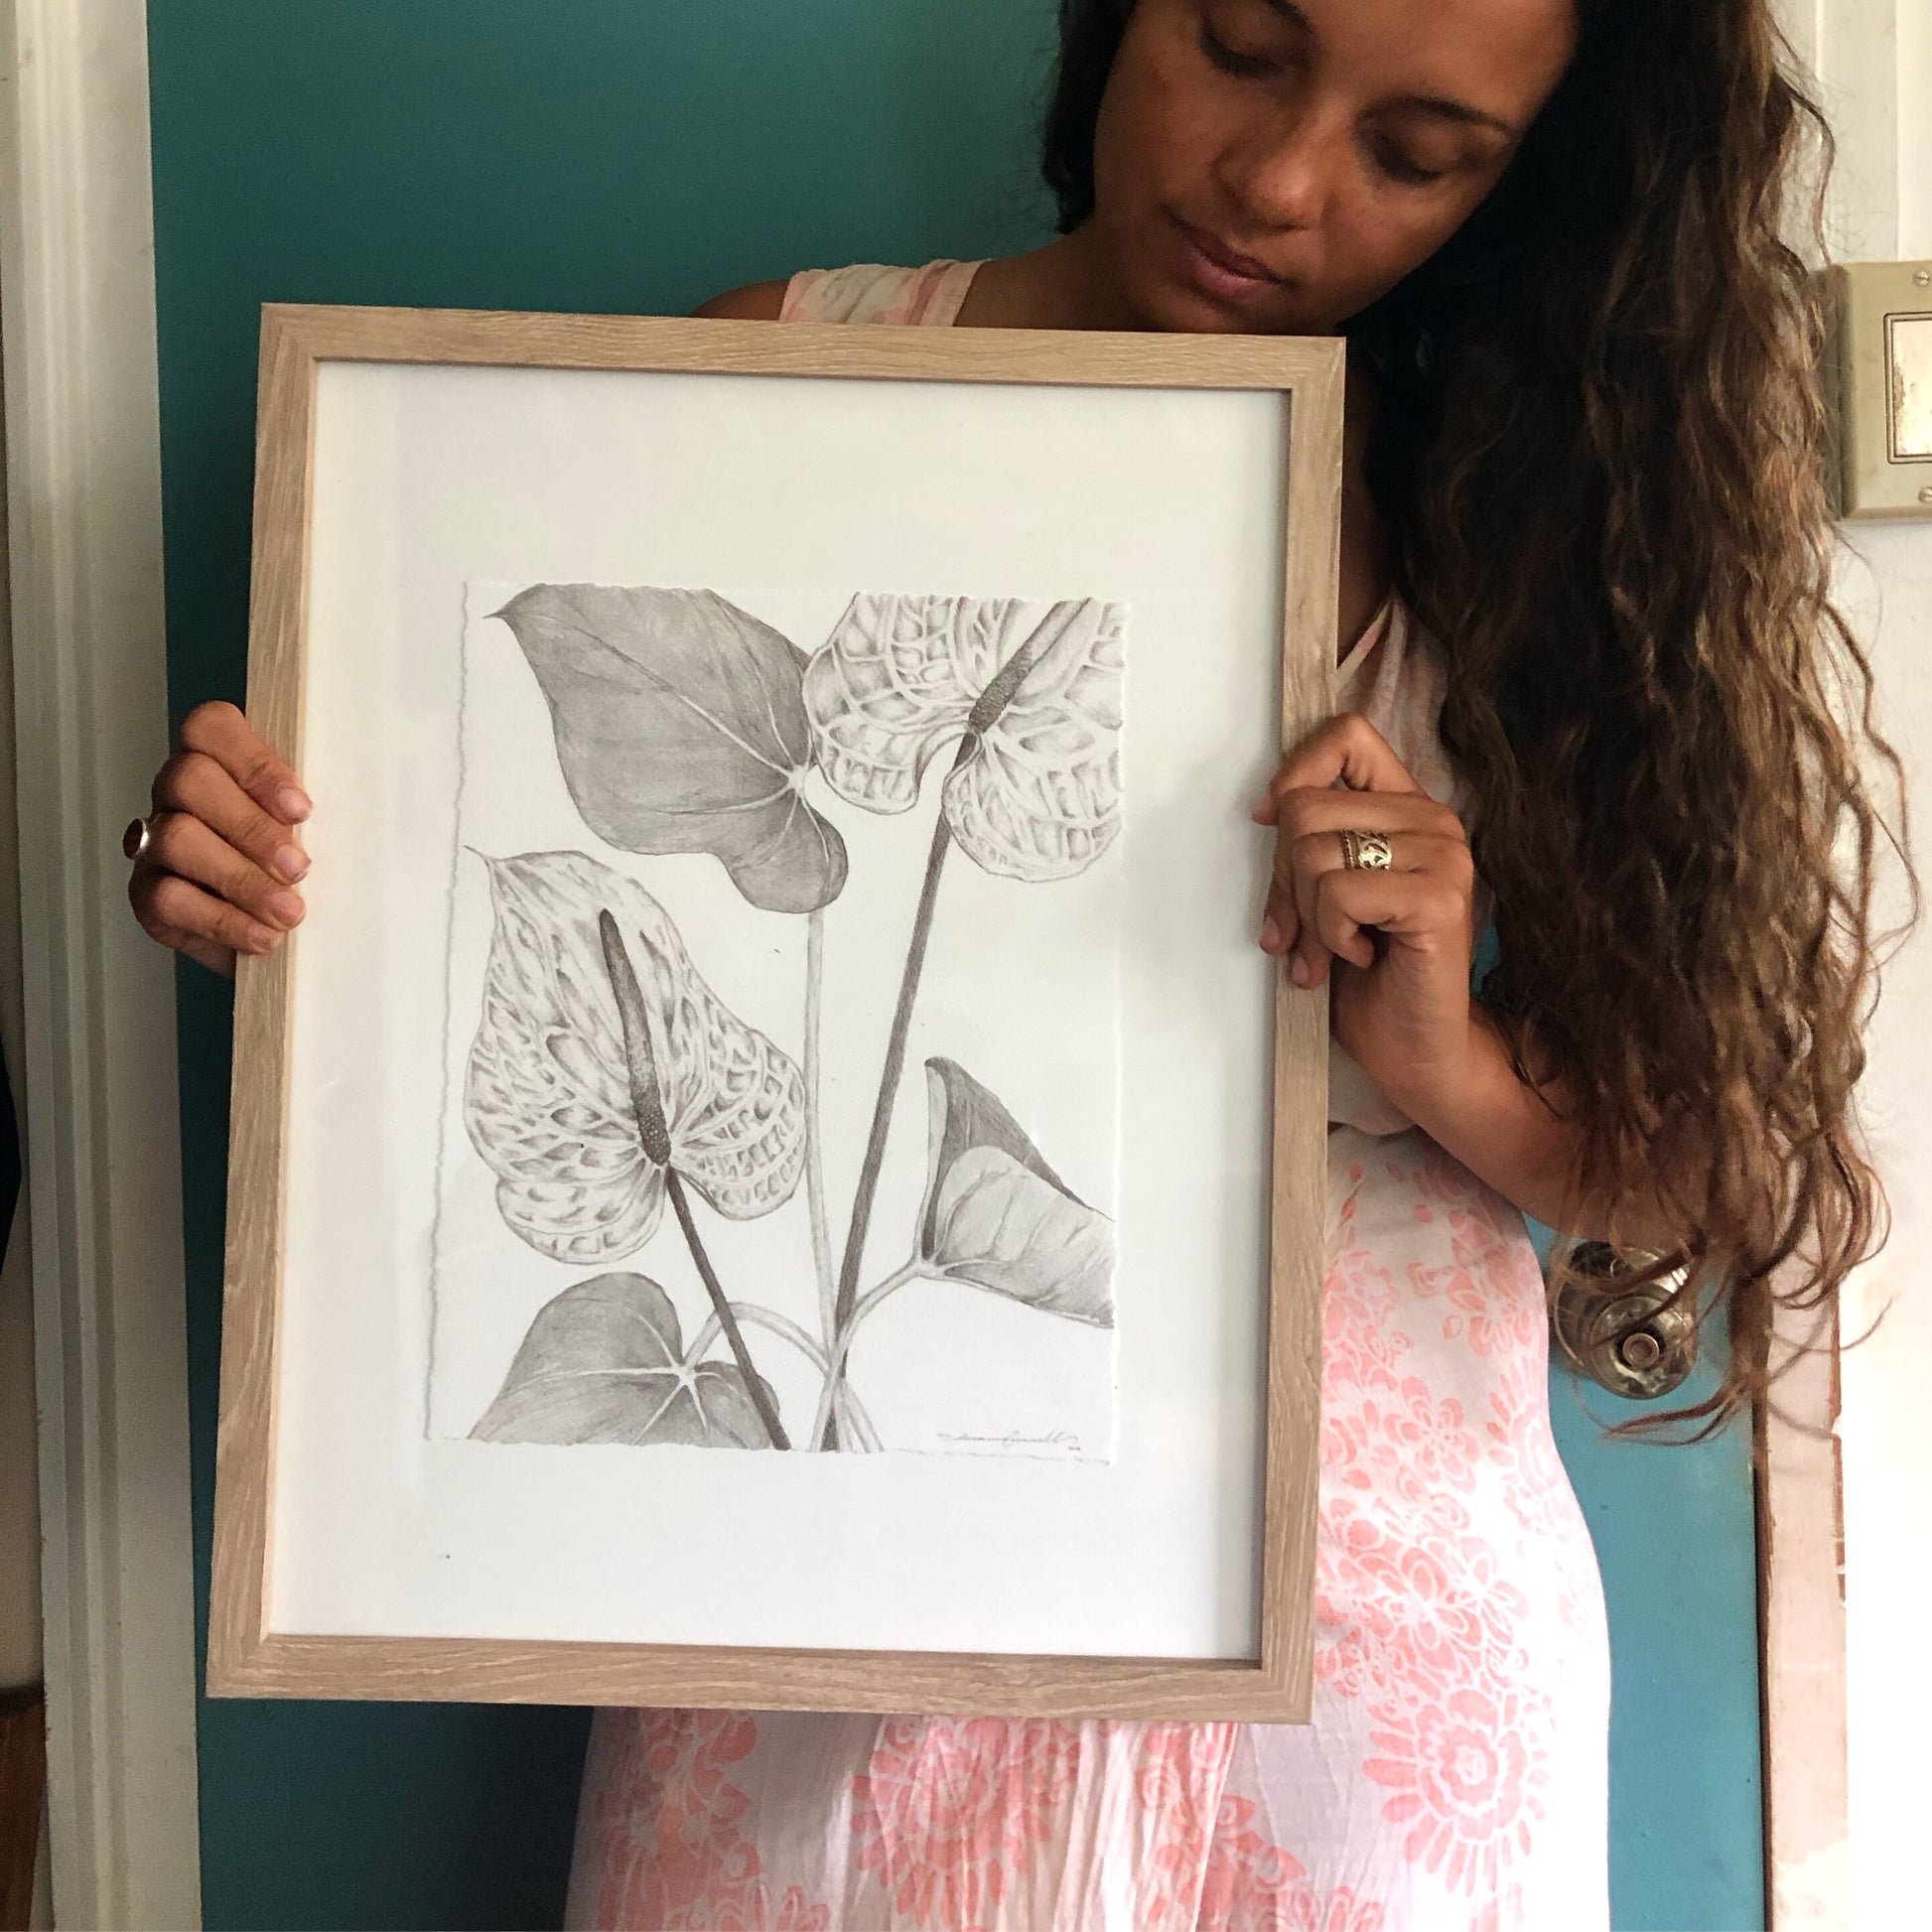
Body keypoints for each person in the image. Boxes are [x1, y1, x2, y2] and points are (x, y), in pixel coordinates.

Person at [128, 0, 1896, 1923]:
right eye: (1238, 43)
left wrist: (1445, 1052)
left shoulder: (1551, 524)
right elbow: (483, 924)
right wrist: (266, 878)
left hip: (1366, 1680)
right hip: (823, 1613)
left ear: (1522, 184)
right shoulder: (768, 379)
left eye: (1415, 154)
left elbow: (1699, 1166)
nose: (1278, 180)